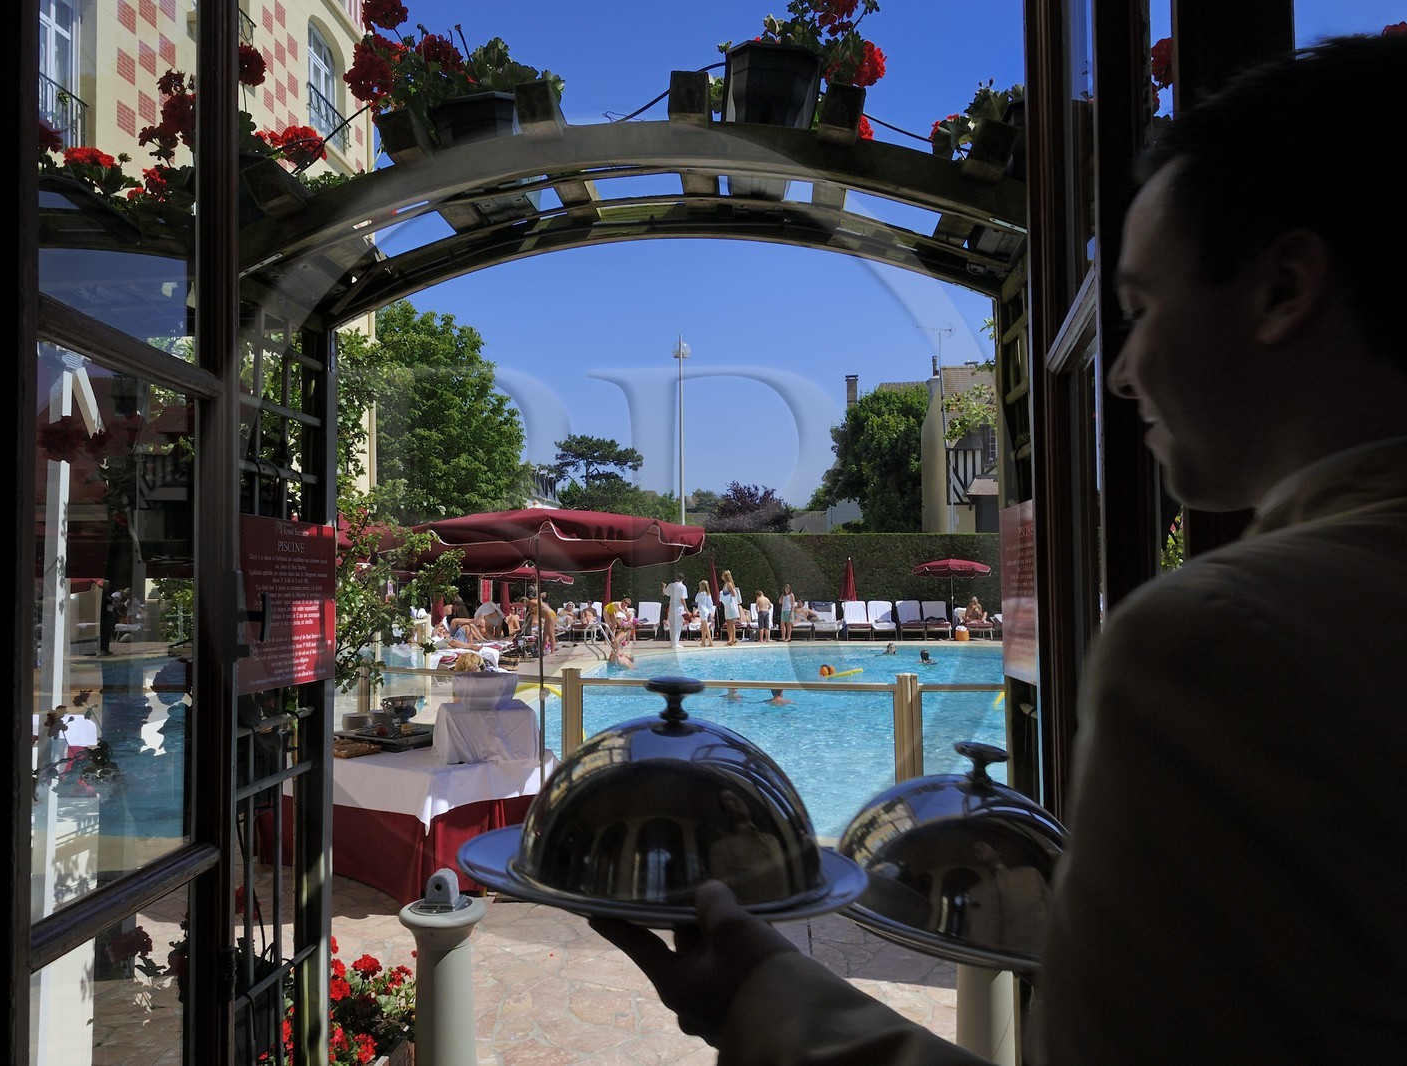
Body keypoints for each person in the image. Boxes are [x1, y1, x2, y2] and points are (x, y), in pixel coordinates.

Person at [594, 35, 1407, 1064]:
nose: (1120, 372)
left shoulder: (1220, 641)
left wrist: (761, 996)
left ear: (1282, 287)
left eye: (1140, 309)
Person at [663, 572, 689, 649]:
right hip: (679, 609)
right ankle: (675, 643)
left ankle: (672, 642)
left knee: (672, 625)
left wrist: (664, 587)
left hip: (671, 608)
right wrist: (687, 610)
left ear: (676, 577)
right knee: (677, 626)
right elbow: (682, 599)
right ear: (683, 579)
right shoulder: (683, 587)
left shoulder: (671, 585)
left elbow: (665, 593)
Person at [719, 570, 741, 646]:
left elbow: (733, 594)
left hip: (730, 604)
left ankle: (733, 639)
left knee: (731, 622)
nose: (721, 576)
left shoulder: (729, 584)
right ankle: (730, 638)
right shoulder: (725, 584)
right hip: (727, 604)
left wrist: (724, 594)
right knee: (728, 622)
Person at [694, 579, 716, 647]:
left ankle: (710, 642)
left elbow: (696, 600)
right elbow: (710, 603)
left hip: (702, 611)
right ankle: (703, 641)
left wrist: (698, 592)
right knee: (703, 627)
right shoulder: (708, 594)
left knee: (706, 627)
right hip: (705, 611)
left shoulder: (700, 594)